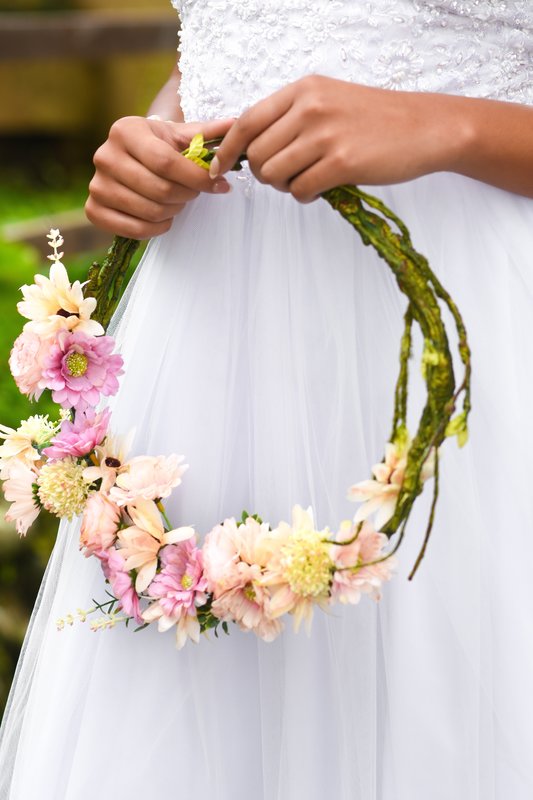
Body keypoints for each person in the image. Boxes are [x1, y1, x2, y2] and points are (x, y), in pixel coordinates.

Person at [1, 1, 533, 798]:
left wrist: (448, 125)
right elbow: (231, 35)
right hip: (214, 343)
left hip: (463, 324)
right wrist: (156, 137)